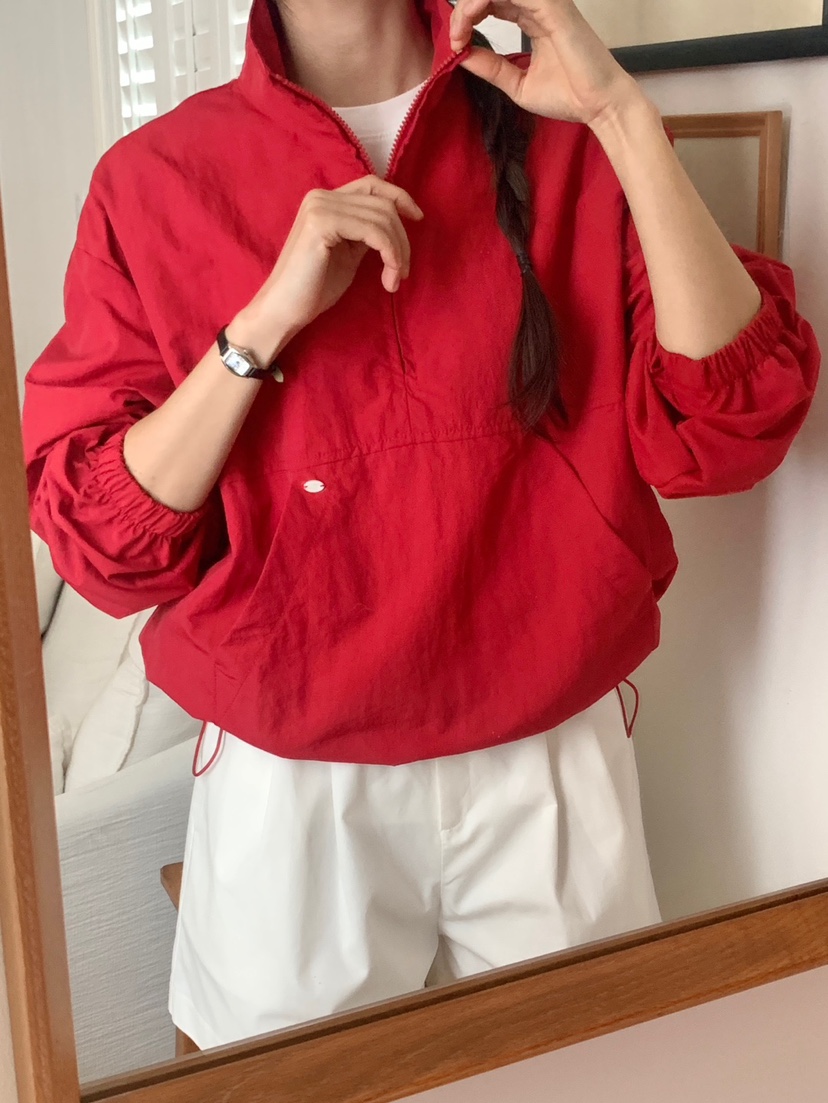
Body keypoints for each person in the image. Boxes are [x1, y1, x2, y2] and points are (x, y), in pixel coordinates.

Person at [21, 0, 820, 1051]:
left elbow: (730, 427)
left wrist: (621, 113)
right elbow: (106, 544)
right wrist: (262, 324)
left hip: (550, 745)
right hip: (292, 773)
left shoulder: (568, 130)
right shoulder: (154, 181)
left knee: (594, 1073)